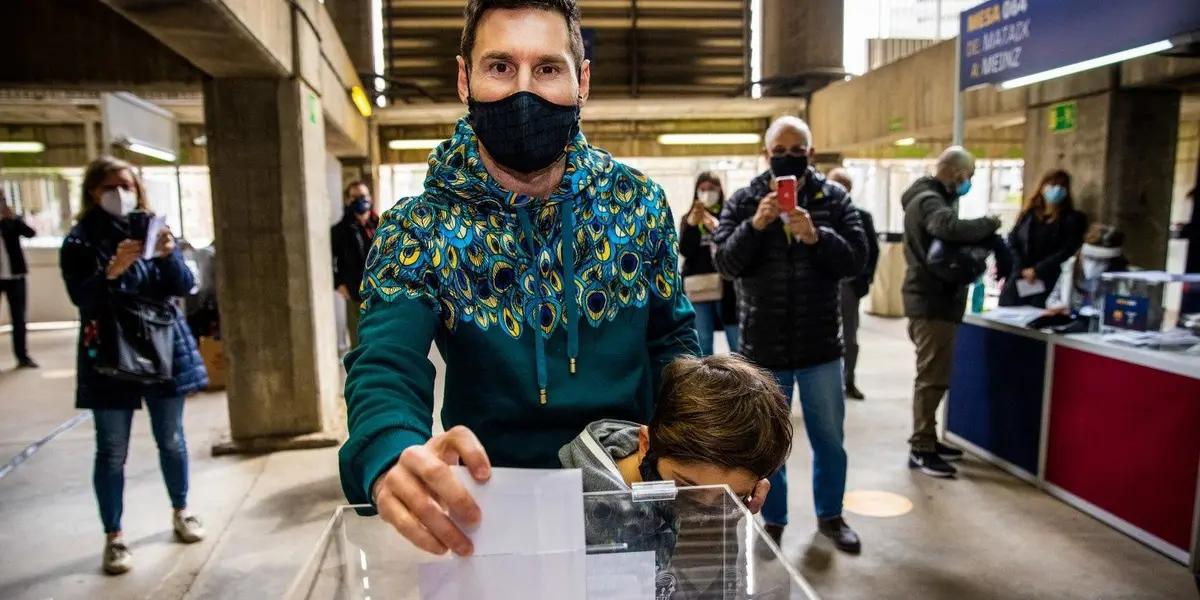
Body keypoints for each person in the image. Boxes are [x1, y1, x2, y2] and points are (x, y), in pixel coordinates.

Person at [339, 0, 718, 558]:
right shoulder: (417, 229)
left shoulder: (638, 204)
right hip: (488, 510)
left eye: (547, 68)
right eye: (500, 67)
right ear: (465, 78)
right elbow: (385, 364)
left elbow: (671, 342)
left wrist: (710, 439)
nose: (524, 91)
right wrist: (392, 450)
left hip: (633, 492)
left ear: (581, 80)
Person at [713, 116, 869, 554]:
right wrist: (755, 226)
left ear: (811, 154)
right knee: (768, 448)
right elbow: (725, 261)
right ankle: (774, 520)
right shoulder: (745, 200)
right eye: (780, 149)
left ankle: (831, 517)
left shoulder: (834, 199)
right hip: (763, 349)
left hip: (821, 346)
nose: (788, 157)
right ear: (766, 154)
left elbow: (856, 259)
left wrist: (817, 237)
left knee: (829, 441)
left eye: (797, 150)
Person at [60, 156, 209, 575]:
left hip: (163, 347)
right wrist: (112, 271)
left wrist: (167, 256)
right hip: (110, 353)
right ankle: (114, 536)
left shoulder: (152, 228)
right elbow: (82, 299)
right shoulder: (80, 241)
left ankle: (181, 510)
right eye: (110, 186)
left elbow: (184, 286)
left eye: (127, 185)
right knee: (111, 449)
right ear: (92, 192)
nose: (120, 193)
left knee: (172, 439)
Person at [900, 146, 1001, 478]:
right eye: (968, 177)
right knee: (931, 377)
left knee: (935, 375)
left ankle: (928, 438)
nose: (967, 182)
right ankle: (922, 447)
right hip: (932, 302)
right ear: (958, 174)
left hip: (932, 301)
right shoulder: (930, 201)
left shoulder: (925, 196)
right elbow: (948, 228)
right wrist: (989, 223)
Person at [559, 354, 791, 497]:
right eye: (685, 488)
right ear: (645, 444)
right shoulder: (572, 506)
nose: (702, 517)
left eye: (728, 499)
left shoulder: (724, 484)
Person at [825, 168, 879, 400]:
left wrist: (864, 280)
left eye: (842, 186)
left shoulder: (860, 216)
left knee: (849, 337)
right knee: (822, 336)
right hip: (823, 284)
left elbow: (871, 251)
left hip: (848, 284)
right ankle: (828, 383)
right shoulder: (817, 214)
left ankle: (849, 380)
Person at [998, 169, 1086, 308]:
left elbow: (1068, 250)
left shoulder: (1073, 219)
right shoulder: (1028, 215)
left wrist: (1038, 270)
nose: (1056, 190)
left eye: (1061, 186)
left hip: (1048, 280)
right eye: (1052, 185)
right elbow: (1013, 240)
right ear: (1042, 187)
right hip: (1019, 278)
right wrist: (1021, 268)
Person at [679, 172, 738, 355]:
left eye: (711, 189)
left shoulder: (730, 215)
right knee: (702, 340)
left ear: (720, 190)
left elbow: (734, 247)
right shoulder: (689, 218)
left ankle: (742, 381)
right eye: (702, 189)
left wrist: (717, 228)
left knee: (735, 338)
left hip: (727, 287)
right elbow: (685, 251)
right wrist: (691, 226)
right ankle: (707, 383)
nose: (707, 193)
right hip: (699, 287)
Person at [331, 180, 379, 350]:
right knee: (360, 345)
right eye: (355, 197)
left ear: (370, 198)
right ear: (348, 200)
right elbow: (328, 262)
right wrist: (338, 283)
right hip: (356, 296)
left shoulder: (381, 225)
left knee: (384, 341)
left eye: (363, 196)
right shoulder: (339, 231)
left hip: (382, 295)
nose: (360, 200)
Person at [1045, 224, 1129, 316]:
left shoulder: (1122, 278)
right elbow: (1052, 300)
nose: (1093, 265)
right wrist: (1059, 307)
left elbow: (1126, 308)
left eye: (1100, 260)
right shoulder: (1071, 267)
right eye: (1089, 258)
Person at [0, 191, 38, 368]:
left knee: (19, 319)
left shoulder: (11, 222)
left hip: (16, 276)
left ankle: (22, 356)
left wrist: (13, 217)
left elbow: (30, 233)